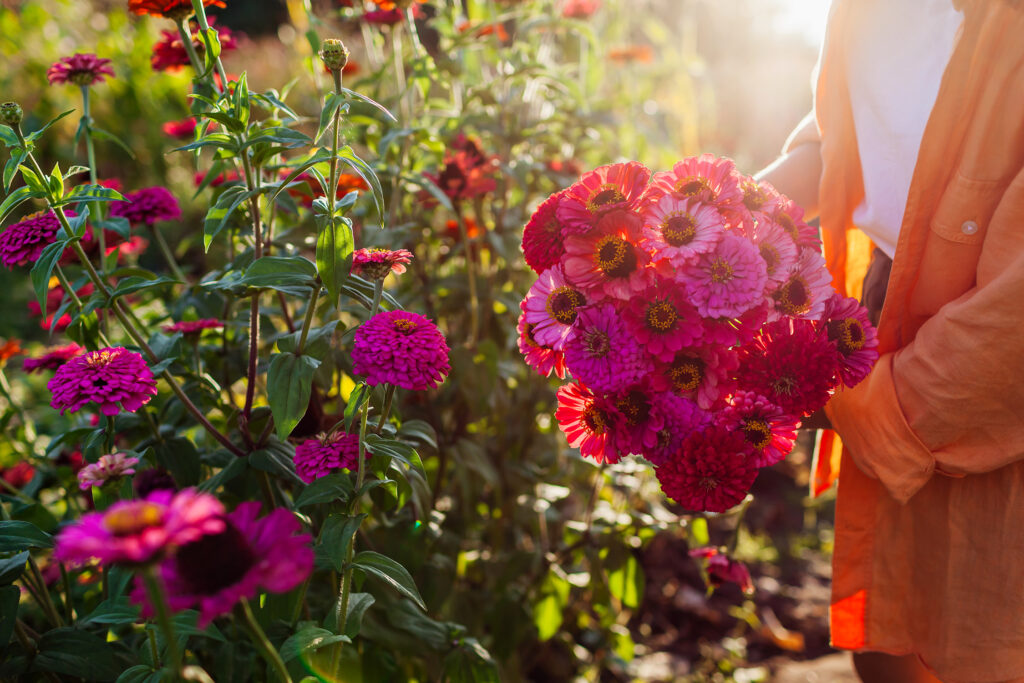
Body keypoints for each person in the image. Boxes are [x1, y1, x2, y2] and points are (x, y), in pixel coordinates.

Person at [757, 1, 1024, 681]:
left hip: (985, 358)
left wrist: (864, 401)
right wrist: (719, 213)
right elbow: (861, 127)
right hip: (890, 315)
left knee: (988, 640)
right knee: (890, 638)